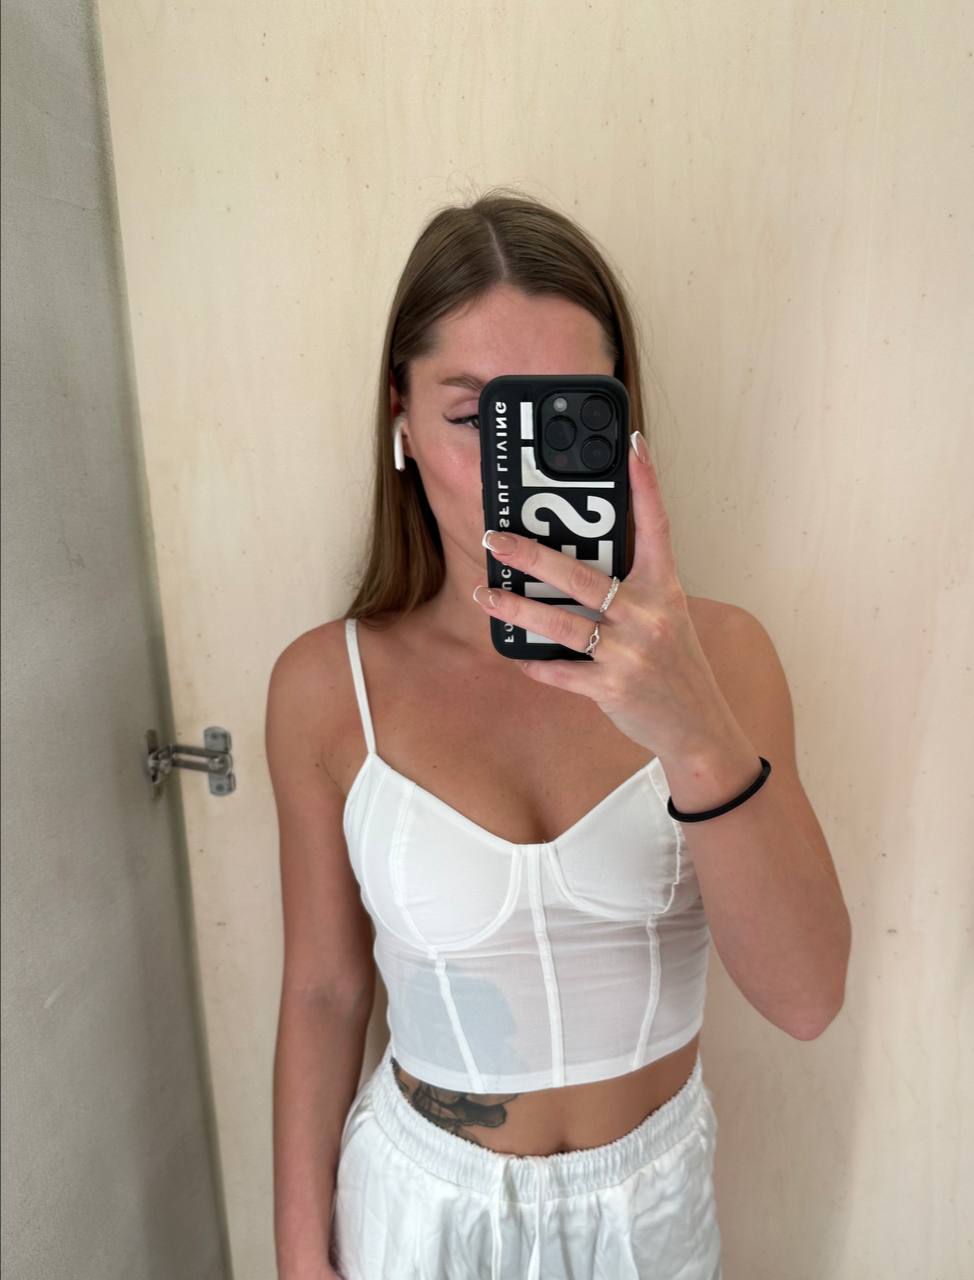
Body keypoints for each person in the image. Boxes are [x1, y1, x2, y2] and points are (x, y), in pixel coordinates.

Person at [267, 188, 846, 1279]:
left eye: (555, 418)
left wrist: (690, 726)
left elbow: (808, 998)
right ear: (399, 418)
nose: (511, 470)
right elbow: (324, 990)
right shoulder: (325, 685)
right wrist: (299, 1255)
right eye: (471, 416)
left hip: (647, 1216)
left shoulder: (724, 658)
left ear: (618, 426)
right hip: (416, 1209)